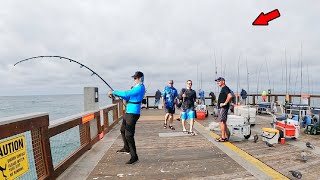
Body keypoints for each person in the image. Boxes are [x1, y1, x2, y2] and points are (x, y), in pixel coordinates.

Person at [107, 71, 145, 164]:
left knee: (129, 135)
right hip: (128, 111)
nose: (134, 80)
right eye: (134, 78)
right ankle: (126, 147)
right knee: (123, 130)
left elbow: (126, 94)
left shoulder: (140, 88)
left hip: (133, 113)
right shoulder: (136, 87)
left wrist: (114, 91)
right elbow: (128, 98)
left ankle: (134, 156)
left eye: (136, 78)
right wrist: (116, 95)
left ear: (140, 78)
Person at [215, 77, 232, 142]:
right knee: (223, 122)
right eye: (217, 81)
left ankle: (223, 137)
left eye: (219, 81)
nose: (218, 82)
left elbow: (230, 96)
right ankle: (225, 136)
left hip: (223, 108)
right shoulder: (223, 89)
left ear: (223, 81)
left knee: (221, 122)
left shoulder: (225, 88)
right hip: (222, 108)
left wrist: (224, 103)